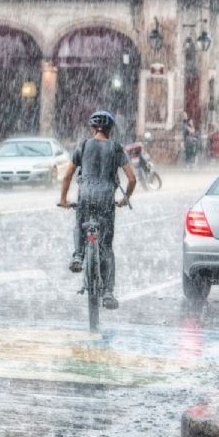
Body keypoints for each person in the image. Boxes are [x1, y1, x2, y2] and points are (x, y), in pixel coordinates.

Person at [58, 111, 137, 310]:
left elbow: (67, 176)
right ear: (110, 130)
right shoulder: (116, 148)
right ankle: (108, 292)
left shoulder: (83, 146)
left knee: (79, 223)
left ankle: (78, 255)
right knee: (106, 248)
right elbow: (132, 178)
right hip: (105, 200)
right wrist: (124, 198)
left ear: (93, 129)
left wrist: (63, 199)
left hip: (85, 196)